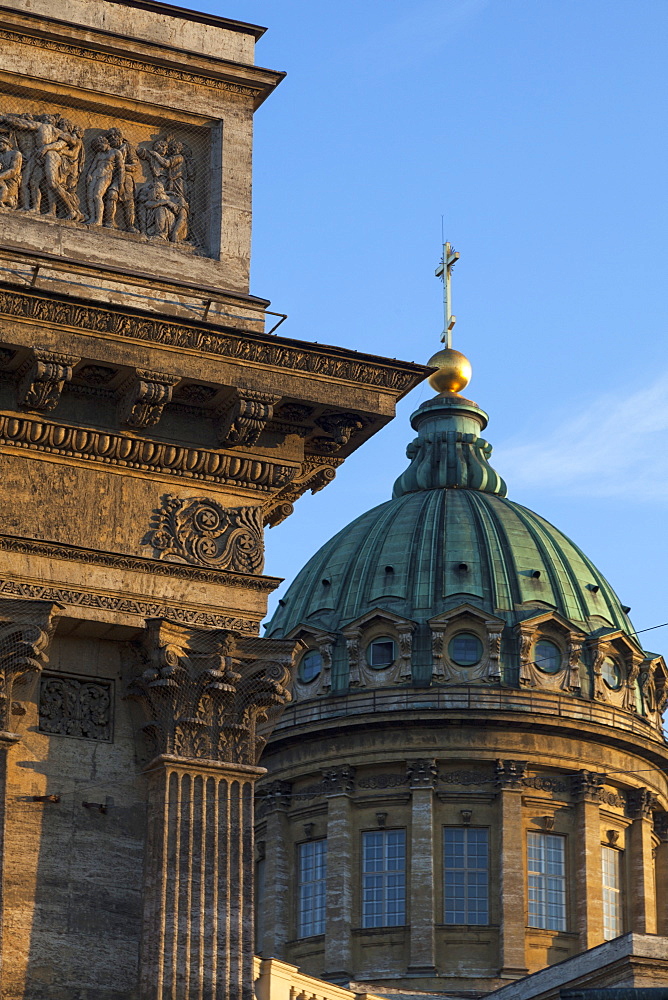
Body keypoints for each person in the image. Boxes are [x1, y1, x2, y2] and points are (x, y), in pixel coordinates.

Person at [104, 127, 139, 232]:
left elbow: (135, 166)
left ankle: (130, 225)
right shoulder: (109, 149)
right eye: (108, 138)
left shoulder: (127, 147)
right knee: (111, 194)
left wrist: (121, 165)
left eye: (111, 137)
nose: (110, 140)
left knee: (129, 201)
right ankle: (109, 221)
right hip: (112, 176)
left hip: (126, 177)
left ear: (117, 137)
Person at [84, 134, 124, 226]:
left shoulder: (115, 152)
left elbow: (121, 168)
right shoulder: (99, 154)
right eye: (97, 147)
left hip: (106, 175)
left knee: (97, 195)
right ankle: (92, 218)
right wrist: (89, 175)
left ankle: (99, 220)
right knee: (90, 197)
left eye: (100, 145)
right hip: (95, 174)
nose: (99, 148)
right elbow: (93, 166)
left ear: (105, 142)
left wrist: (120, 183)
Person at [0, 135, 22, 209]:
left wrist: (0, 176)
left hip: (11, 180)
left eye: (1, 143)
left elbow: (14, 171)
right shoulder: (0, 156)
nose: (0, 145)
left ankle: (8, 200)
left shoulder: (15, 154)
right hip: (2, 179)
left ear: (7, 143)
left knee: (7, 195)